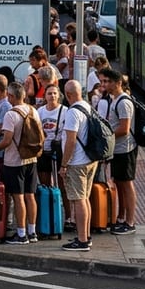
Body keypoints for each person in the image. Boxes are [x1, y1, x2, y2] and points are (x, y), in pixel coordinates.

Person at [0, 82, 41, 245]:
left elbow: (6, 140)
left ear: (11, 96)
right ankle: (32, 232)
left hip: (15, 160)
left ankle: (21, 234)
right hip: (31, 158)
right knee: (30, 196)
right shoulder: (33, 110)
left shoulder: (11, 114)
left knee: (18, 198)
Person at [96, 66, 138, 234]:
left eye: (108, 81)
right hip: (118, 149)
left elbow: (124, 128)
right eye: (103, 81)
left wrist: (108, 136)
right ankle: (121, 218)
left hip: (126, 148)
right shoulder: (115, 100)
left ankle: (130, 221)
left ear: (118, 83)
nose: (105, 84)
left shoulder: (124, 102)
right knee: (119, 183)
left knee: (127, 184)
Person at [59, 80, 98, 251]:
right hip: (90, 160)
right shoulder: (87, 106)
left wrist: (64, 164)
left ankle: (82, 240)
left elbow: (70, 141)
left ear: (68, 95)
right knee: (85, 198)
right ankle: (86, 235)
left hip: (77, 163)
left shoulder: (72, 113)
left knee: (78, 200)